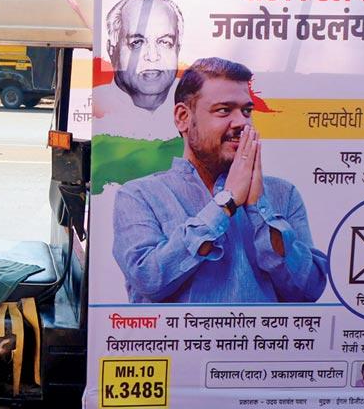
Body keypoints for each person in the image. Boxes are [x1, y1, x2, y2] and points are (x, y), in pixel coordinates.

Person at [111, 57, 328, 303]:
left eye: (247, 111)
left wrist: (259, 208)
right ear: (183, 117)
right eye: (224, 110)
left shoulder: (283, 194)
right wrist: (224, 204)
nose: (242, 123)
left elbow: (310, 290)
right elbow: (148, 279)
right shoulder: (139, 195)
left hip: (260, 341)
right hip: (176, 342)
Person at [93, 0, 183, 140]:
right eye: (137, 43)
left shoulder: (198, 104)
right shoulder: (97, 107)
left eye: (165, 42)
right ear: (112, 50)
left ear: (178, 48)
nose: (153, 56)